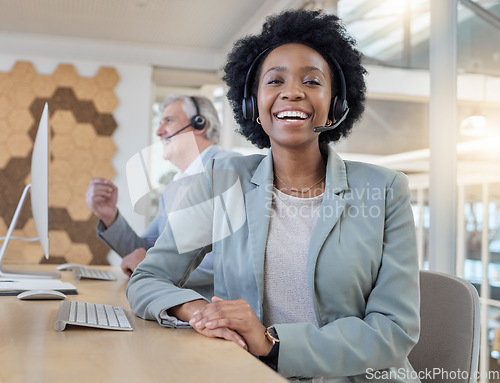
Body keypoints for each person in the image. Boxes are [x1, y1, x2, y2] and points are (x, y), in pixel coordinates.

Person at [127, 10, 420, 382]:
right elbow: (148, 278)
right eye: (275, 80)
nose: (292, 91)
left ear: (336, 103)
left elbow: (395, 331)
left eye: (312, 81)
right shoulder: (222, 183)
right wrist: (198, 310)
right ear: (252, 104)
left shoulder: (385, 190)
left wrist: (272, 344)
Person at [86, 95, 238, 296]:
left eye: (168, 120)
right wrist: (110, 216)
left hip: (215, 312)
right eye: (159, 123)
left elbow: (229, 259)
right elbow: (146, 249)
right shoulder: (173, 188)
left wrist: (154, 266)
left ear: (200, 124)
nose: (158, 132)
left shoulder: (230, 169)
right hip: (174, 307)